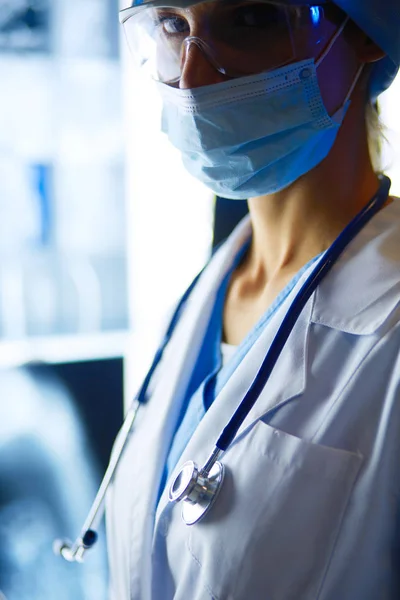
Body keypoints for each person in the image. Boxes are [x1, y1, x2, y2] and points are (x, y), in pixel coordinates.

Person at [107, 1, 400, 598]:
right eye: (171, 25)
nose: (190, 77)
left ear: (367, 33)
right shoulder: (207, 292)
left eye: (249, 21)